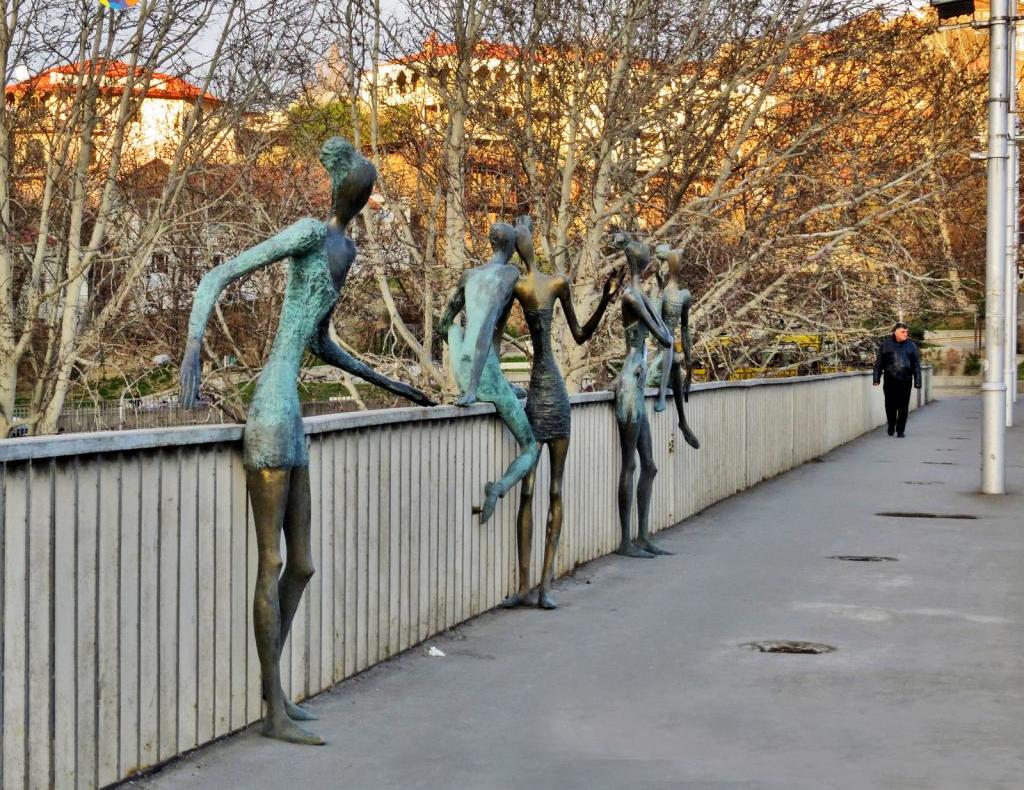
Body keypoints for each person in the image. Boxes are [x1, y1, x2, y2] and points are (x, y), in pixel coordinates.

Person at [180, 137, 434, 745]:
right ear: (343, 189)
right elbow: (219, 273)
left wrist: (395, 383)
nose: (361, 192)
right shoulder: (304, 233)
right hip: (268, 411)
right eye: (359, 183)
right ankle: (273, 711)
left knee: (303, 565)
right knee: (271, 562)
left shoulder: (345, 249)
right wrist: (193, 341)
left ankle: (277, 694)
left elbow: (320, 342)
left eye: (366, 186)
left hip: (291, 419)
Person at [502, 215, 620, 609]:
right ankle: (528, 586)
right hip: (540, 391)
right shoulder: (526, 285)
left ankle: (543, 584)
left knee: (544, 488)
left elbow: (580, 334)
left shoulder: (536, 284)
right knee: (534, 489)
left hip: (547, 390)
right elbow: (581, 335)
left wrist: (605, 300)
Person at [438, 222, 540, 523]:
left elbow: (446, 324)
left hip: (464, 362)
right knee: (531, 446)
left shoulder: (470, 274)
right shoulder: (509, 274)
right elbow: (484, 329)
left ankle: (495, 382)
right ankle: (498, 488)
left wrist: (466, 362)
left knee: (505, 385)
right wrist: (472, 388)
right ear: (511, 247)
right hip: (481, 375)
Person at [872, 321, 922, 438]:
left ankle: (900, 430)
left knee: (903, 406)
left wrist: (918, 381)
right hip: (890, 380)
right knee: (890, 405)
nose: (906, 334)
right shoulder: (885, 345)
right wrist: (876, 378)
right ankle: (891, 425)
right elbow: (879, 363)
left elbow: (916, 365)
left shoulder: (911, 345)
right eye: (903, 332)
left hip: (906, 380)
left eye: (906, 332)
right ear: (896, 332)